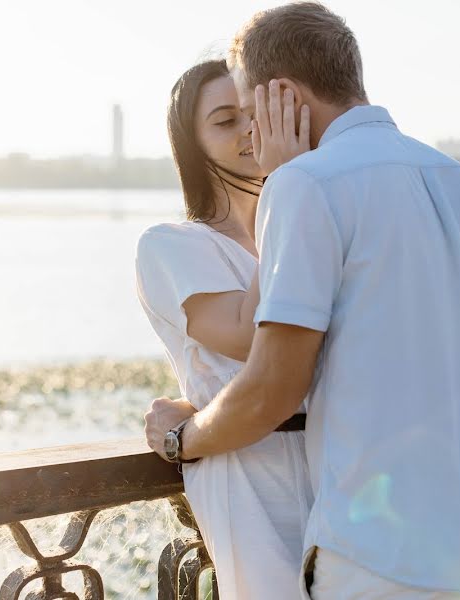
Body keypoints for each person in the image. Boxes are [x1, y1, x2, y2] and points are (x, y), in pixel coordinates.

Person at [144, 3, 460, 599]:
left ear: (281, 94)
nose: (253, 133)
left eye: (251, 111)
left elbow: (272, 387)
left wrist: (183, 439)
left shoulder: (306, 184)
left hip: (386, 561)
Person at [135, 59, 313, 599]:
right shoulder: (172, 245)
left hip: (338, 472)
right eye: (224, 120)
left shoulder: (303, 231)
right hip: (249, 477)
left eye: (255, 113)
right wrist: (289, 185)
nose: (249, 130)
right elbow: (248, 335)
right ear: (192, 145)